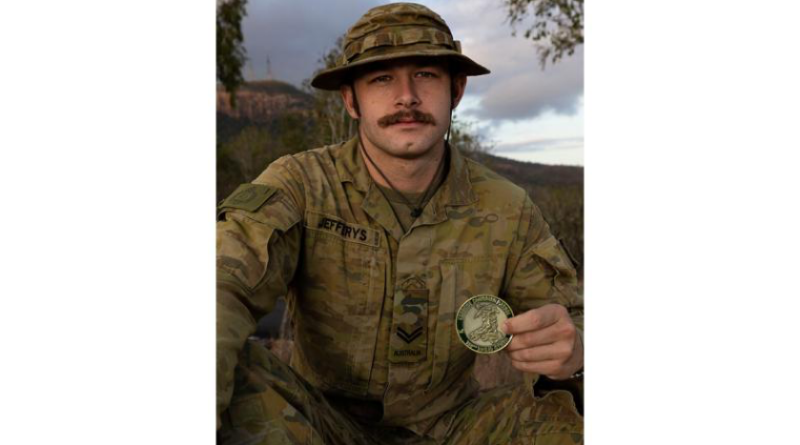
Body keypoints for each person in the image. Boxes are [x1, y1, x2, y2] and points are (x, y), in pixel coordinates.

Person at [217, 3, 584, 444]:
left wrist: (576, 349)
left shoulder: (507, 207)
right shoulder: (301, 185)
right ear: (351, 100)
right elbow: (222, 285)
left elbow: (573, 319)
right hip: (318, 424)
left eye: (426, 74)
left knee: (574, 408)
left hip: (456, 429)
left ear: (457, 90)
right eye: (382, 78)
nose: (406, 96)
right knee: (230, 363)